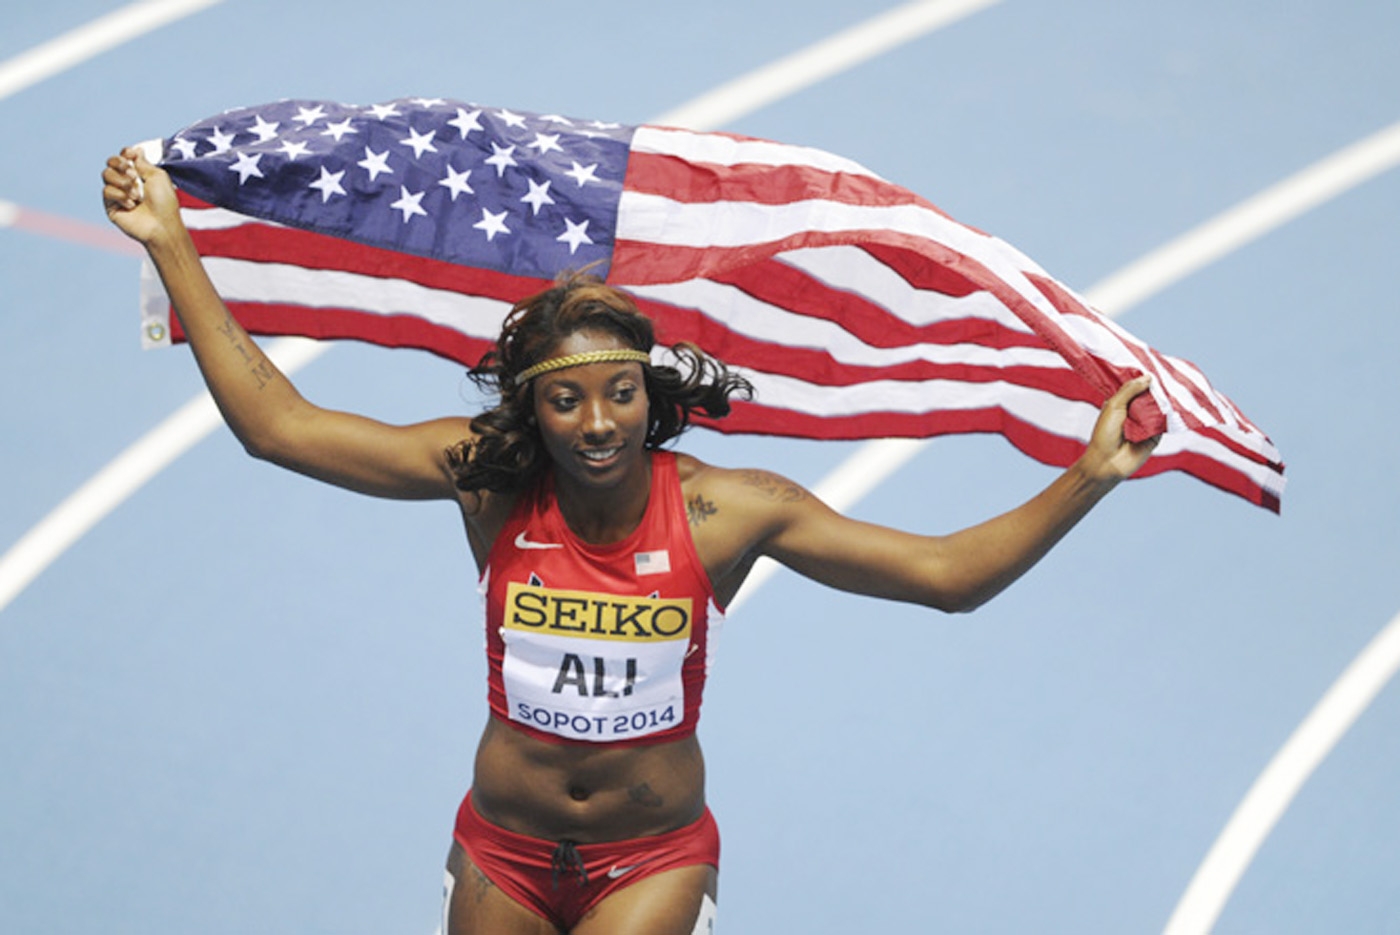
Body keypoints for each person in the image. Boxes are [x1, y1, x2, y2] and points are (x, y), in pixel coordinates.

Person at [103, 146, 1159, 935]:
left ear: (650, 397)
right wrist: (172, 242)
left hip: (648, 856)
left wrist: (1089, 472)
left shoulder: (725, 510)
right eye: (567, 401)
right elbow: (279, 427)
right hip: (500, 852)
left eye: (619, 394)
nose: (598, 423)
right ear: (533, 412)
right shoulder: (489, 481)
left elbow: (942, 577)